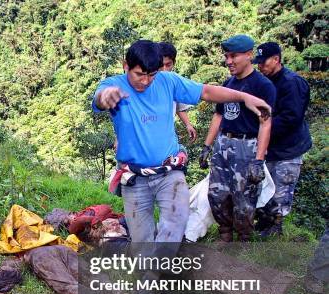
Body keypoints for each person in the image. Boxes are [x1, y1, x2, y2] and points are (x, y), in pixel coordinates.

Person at [93, 39, 271, 245]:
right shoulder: (113, 85)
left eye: (152, 75)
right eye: (139, 74)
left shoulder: (168, 81)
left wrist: (243, 97)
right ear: (126, 66)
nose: (146, 81)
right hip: (135, 178)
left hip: (169, 171)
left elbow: (205, 91)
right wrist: (104, 97)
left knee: (176, 221)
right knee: (142, 241)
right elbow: (99, 97)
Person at [199, 34, 276, 242]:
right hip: (224, 142)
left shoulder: (262, 86)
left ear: (249, 55)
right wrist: (207, 146)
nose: (229, 61)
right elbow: (218, 114)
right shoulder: (228, 83)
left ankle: (243, 238)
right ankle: (225, 233)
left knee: (244, 197)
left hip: (247, 145)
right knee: (217, 193)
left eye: (234, 56)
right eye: (226, 56)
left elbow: (265, 122)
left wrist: (259, 160)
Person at [252, 42, 312, 236]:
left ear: (276, 59)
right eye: (258, 63)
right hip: (268, 146)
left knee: (281, 190)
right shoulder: (263, 83)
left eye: (264, 62)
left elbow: (291, 118)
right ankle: (262, 223)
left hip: (288, 148)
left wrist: (263, 131)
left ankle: (276, 228)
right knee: (263, 188)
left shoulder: (292, 82)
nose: (260, 66)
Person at [158, 41, 197, 141]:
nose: (164, 70)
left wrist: (188, 124)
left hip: (167, 133)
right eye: (161, 65)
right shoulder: (146, 81)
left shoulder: (175, 82)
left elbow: (179, 107)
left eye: (168, 65)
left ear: (174, 63)